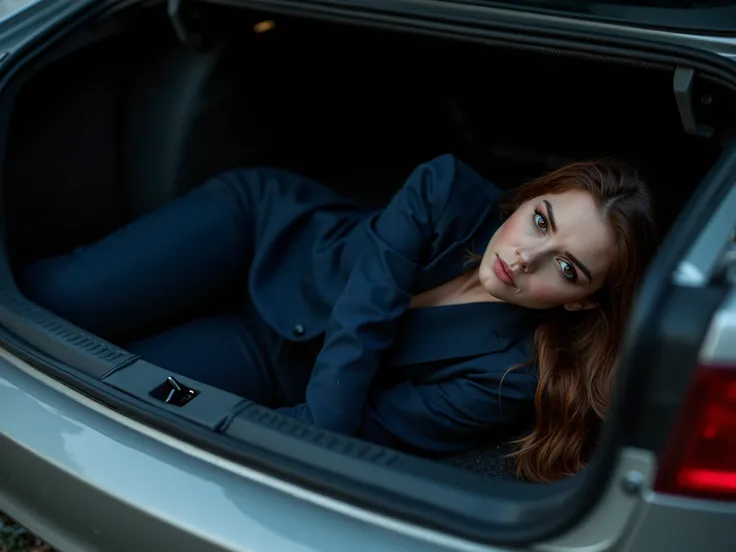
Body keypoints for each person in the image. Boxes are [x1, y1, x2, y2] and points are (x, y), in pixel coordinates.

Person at [19, 154, 657, 482]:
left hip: (271, 361)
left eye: (568, 268)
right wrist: (327, 415)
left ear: (581, 302)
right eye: (540, 220)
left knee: (125, 389)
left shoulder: (509, 377)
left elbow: (341, 430)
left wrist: (199, 418)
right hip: (263, 237)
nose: (527, 255)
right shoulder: (445, 188)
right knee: (59, 303)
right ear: (525, 199)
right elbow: (361, 317)